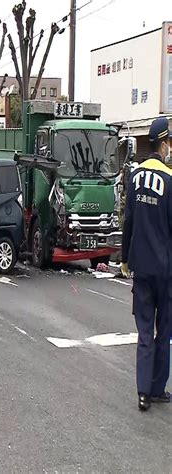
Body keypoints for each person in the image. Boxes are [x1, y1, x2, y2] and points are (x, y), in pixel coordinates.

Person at [121, 116, 172, 411]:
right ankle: (156, 389)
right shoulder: (168, 180)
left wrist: (125, 259)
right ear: (163, 144)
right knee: (164, 331)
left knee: (144, 331)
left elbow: (129, 222)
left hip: (140, 267)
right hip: (165, 270)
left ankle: (142, 393)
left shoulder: (136, 178)